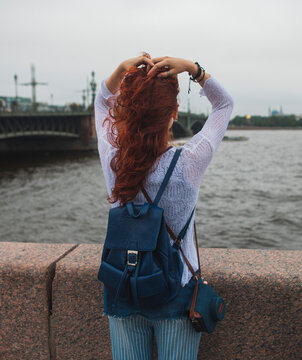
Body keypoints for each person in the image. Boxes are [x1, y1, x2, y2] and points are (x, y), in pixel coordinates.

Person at [95, 54, 234, 360]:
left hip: (123, 287)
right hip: (175, 294)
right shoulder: (189, 161)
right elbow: (224, 105)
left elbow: (101, 101)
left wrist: (122, 69)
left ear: (127, 111)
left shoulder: (113, 160)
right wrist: (192, 69)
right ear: (174, 112)